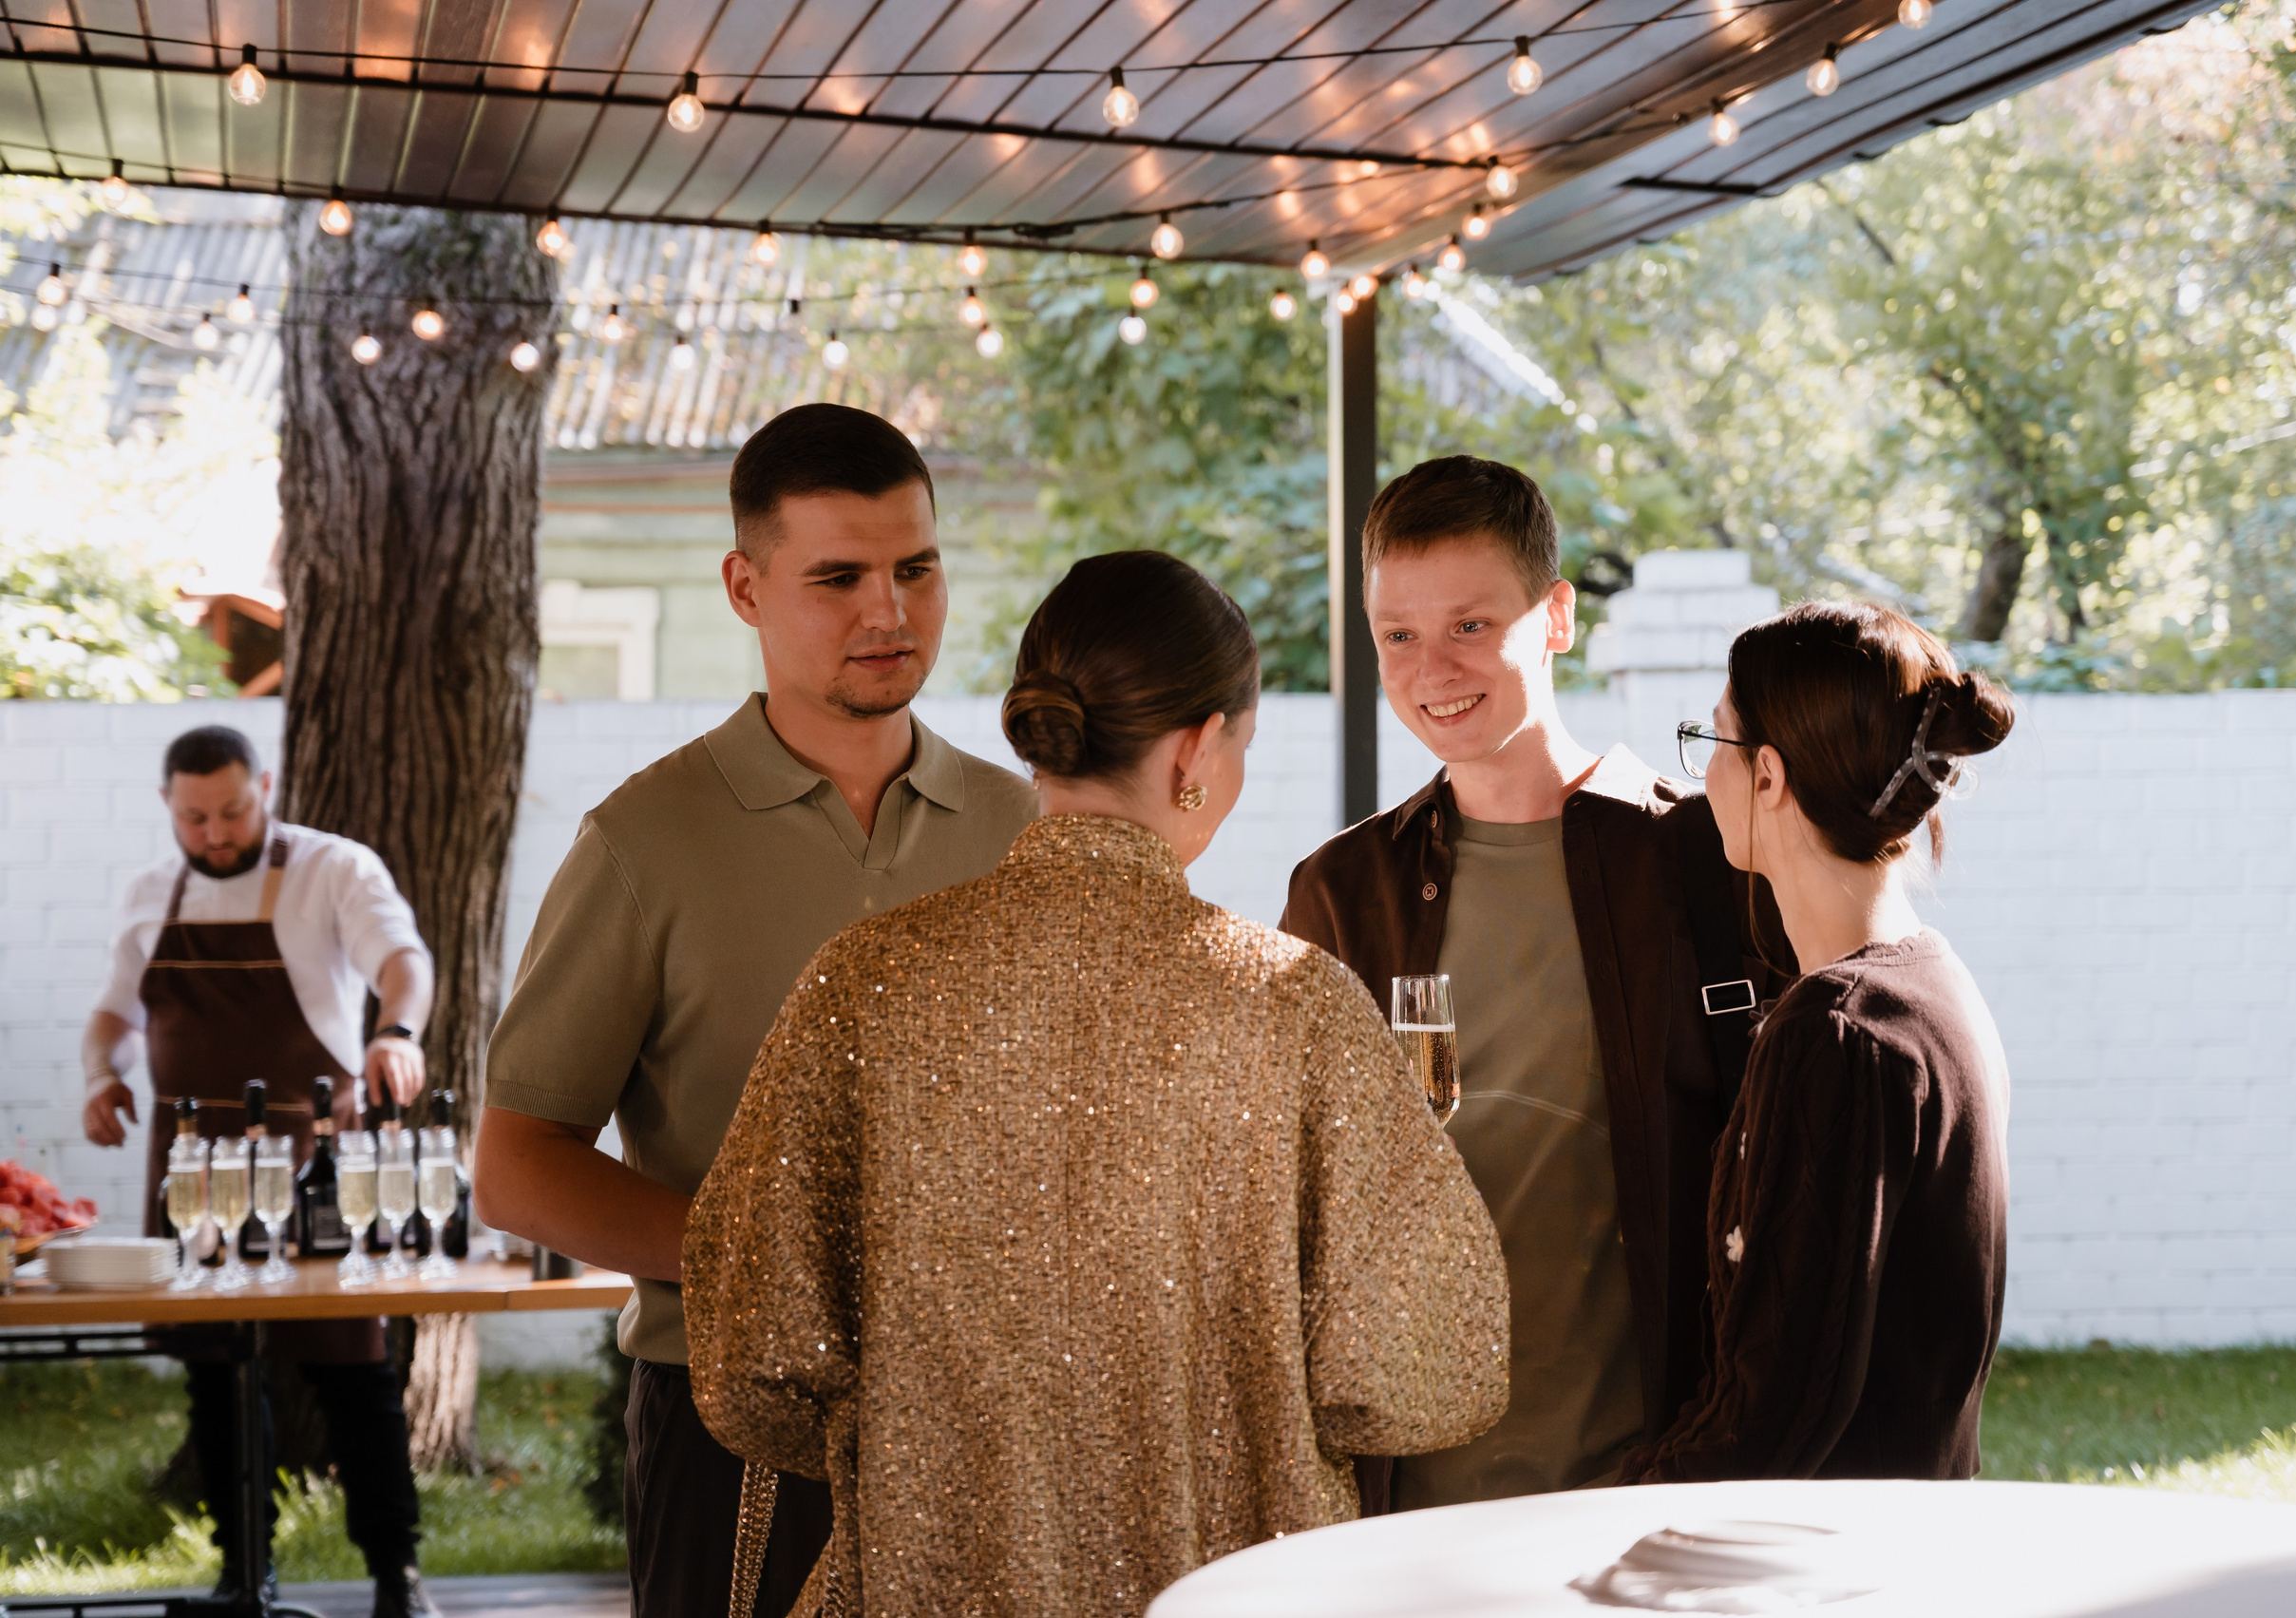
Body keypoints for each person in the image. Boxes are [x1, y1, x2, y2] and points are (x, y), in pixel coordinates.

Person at [685, 551, 1510, 1618]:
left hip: (924, 1582)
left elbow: (751, 1357)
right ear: (1198, 748)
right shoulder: (1293, 1004)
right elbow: (1429, 1376)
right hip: (1231, 1588)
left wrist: (919, 1442)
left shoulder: (865, 982)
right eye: (1243, 744)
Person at [475, 404, 1037, 1618]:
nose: (888, 611)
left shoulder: (1024, 826)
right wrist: (767, 1275)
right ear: (745, 585)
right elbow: (518, 1167)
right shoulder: (643, 841)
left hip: (991, 1417)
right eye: (838, 576)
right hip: (729, 1423)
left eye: (916, 568)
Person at [1281, 455, 1790, 1514]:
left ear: (1555, 617)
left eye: (1471, 625)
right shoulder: (1344, 890)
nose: (1432, 668)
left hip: (1651, 1473)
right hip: (1405, 1487)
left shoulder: (1703, 859)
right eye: (1397, 633)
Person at [1621, 600, 2014, 1480]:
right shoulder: (1934, 986)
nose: (1700, 779)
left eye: (1713, 743)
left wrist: (1589, 1522)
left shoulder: (1837, 1031)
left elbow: (1770, 1416)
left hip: (1819, 1567)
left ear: (1768, 776)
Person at [81, 724, 439, 1618]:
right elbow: (111, 1017)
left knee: (353, 1370)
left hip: (312, 1161)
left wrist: (395, 1033)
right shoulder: (147, 892)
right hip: (193, 1171)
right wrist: (99, 1075)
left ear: (265, 786)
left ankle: (396, 1575)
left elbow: (403, 961)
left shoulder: (333, 869)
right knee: (217, 1373)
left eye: (233, 809)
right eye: (196, 815)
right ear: (169, 805)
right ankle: (244, 1575)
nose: (215, 831)